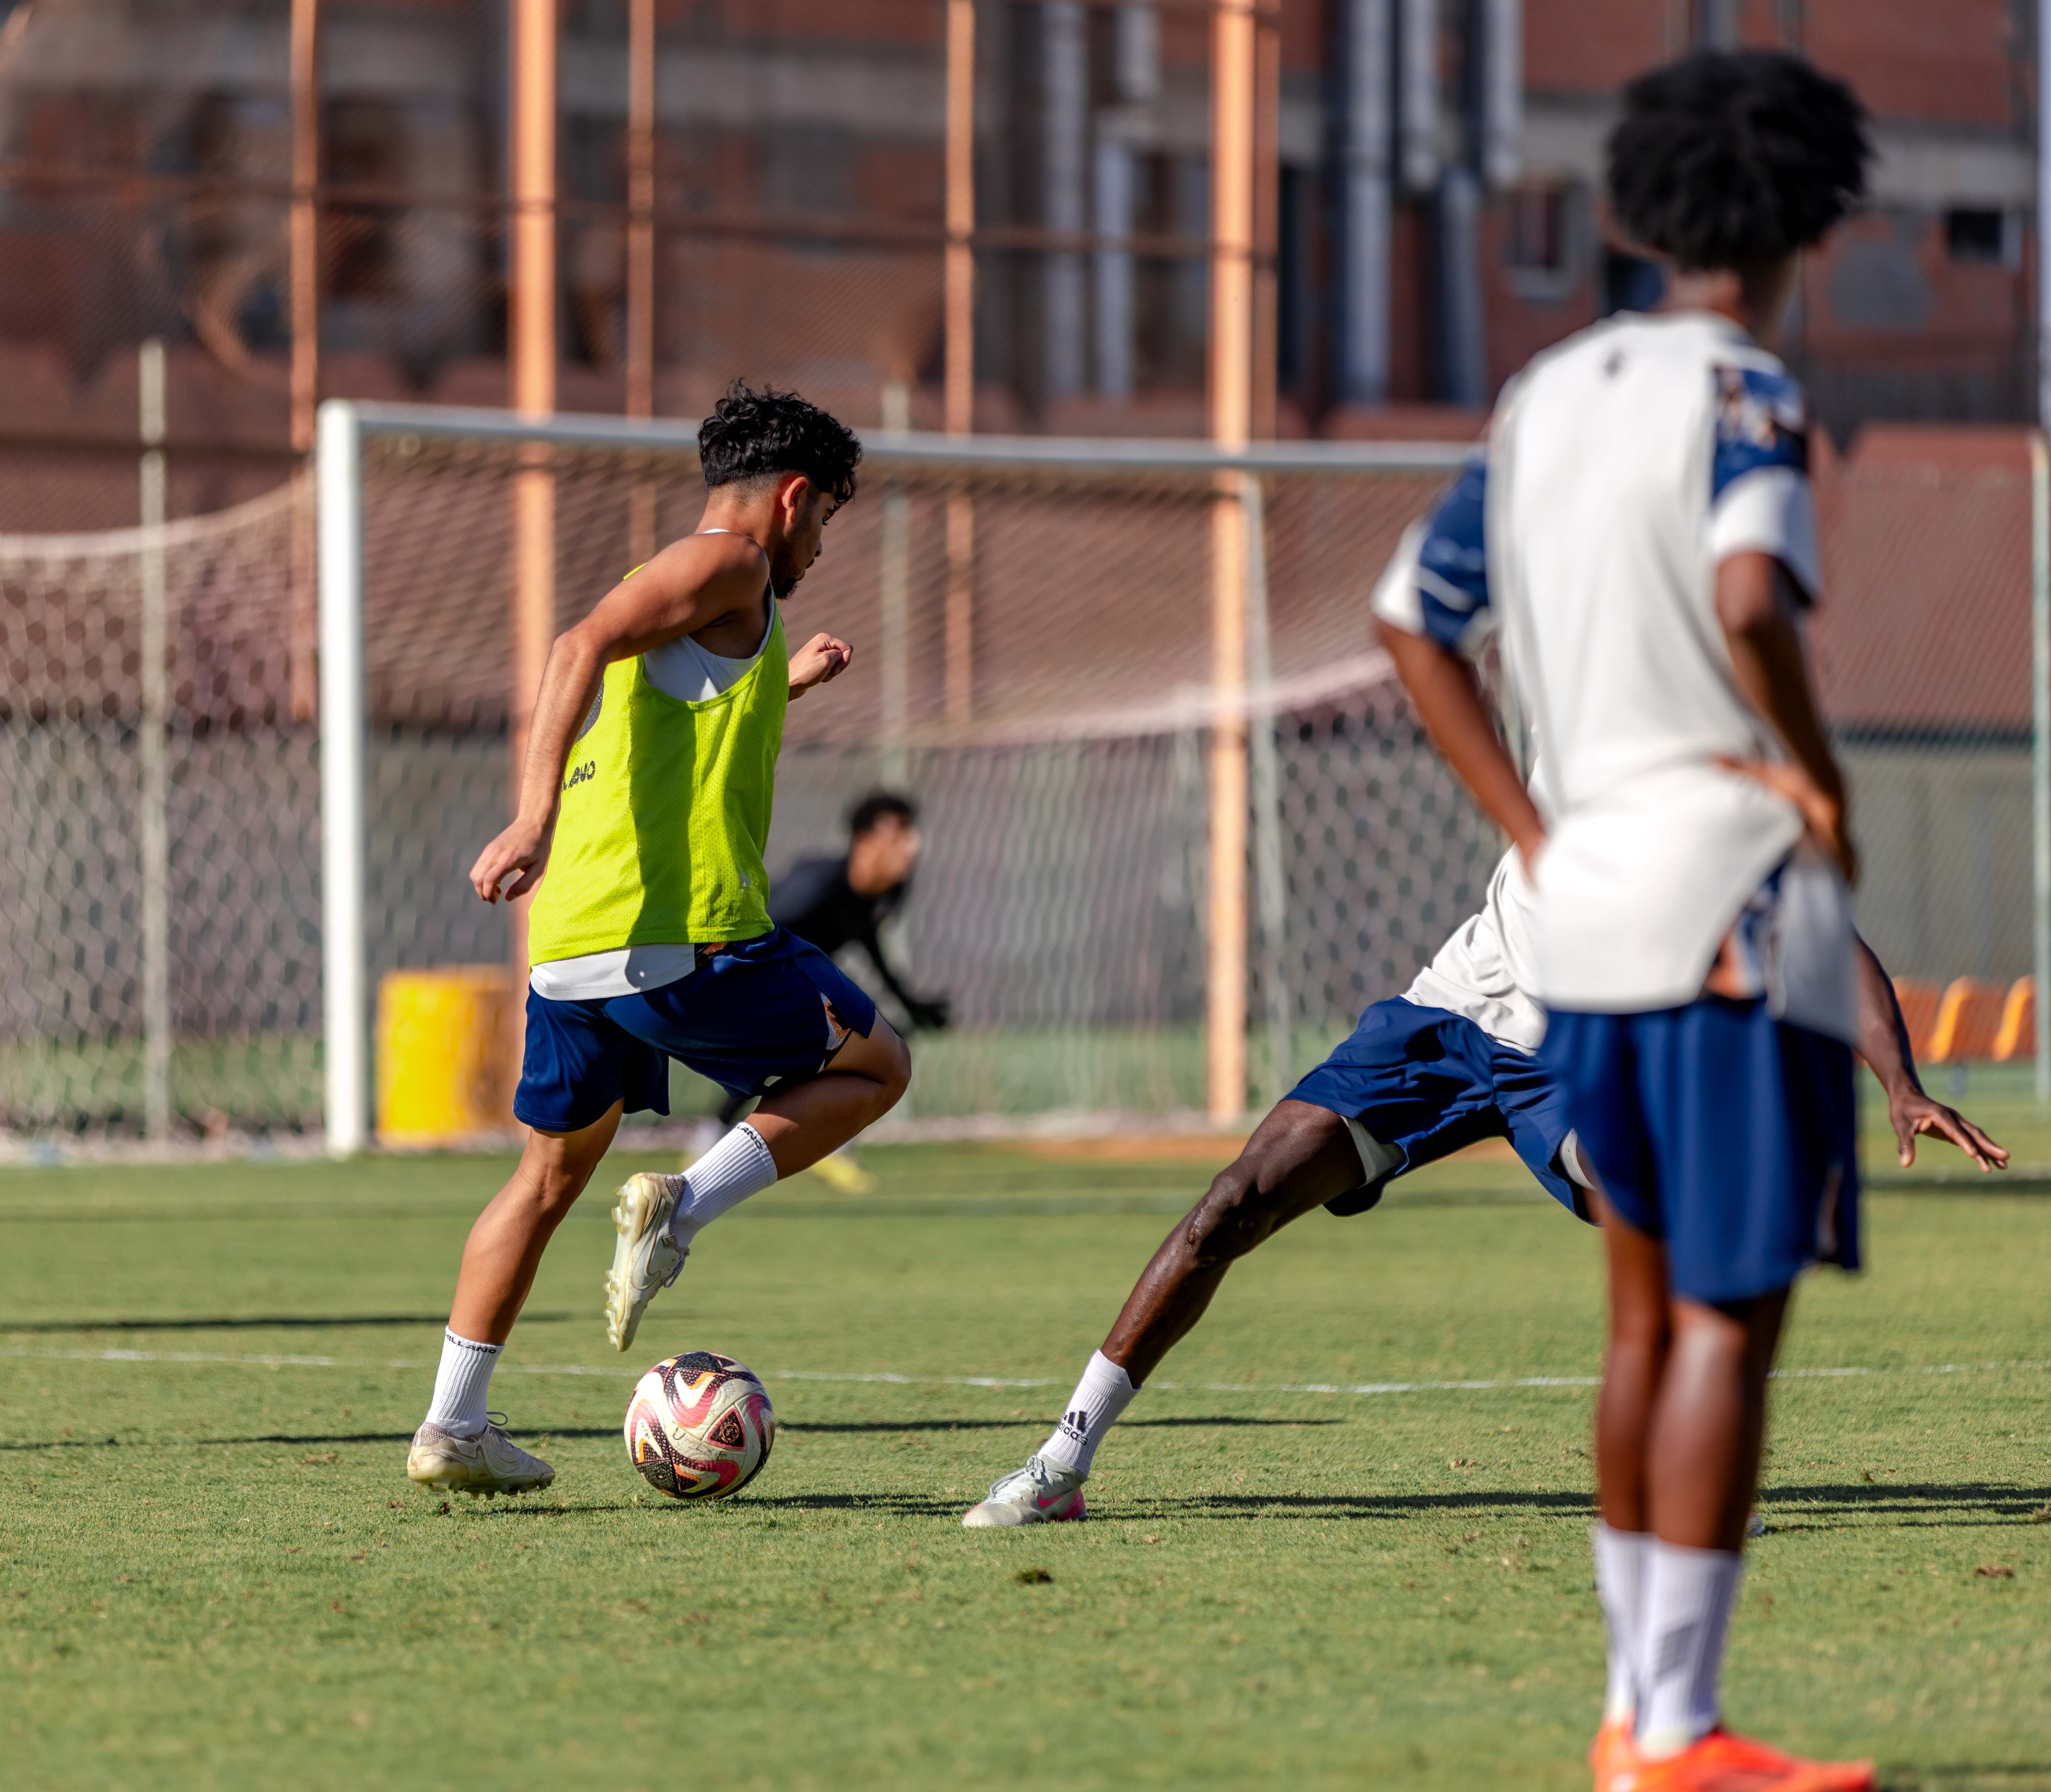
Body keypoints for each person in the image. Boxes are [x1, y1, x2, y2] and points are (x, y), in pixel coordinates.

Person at [1382, 49, 1899, 1792]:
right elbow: (1752, 593)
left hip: (1586, 910)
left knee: (1639, 1313)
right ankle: (1676, 1726)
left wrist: (1534, 827)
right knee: (1727, 1317)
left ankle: (1633, 1709)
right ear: (1811, 216)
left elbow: (1413, 620)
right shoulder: (1749, 387)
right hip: (1731, 904)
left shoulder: (1544, 392)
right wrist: (1816, 772)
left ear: (1647, 207)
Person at [959, 838, 2001, 1520]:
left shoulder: (1721, 781)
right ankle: (1062, 1459)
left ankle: (1695, 1475)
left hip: (1574, 1058)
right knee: (1233, 1202)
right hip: (1451, 1015)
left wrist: (1899, 1080)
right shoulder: (1568, 679)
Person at [405, 382, 911, 1499]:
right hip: (680, 935)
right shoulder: (731, 564)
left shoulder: (700, 598)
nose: (822, 545)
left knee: (546, 1177)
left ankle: (453, 1422)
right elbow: (573, 645)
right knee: (879, 1063)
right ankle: (686, 1202)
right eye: (827, 516)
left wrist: (782, 681)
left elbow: (676, 715)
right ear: (792, 497)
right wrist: (531, 817)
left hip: (573, 946)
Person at [695, 791, 950, 1182]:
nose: (912, 845)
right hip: (753, 978)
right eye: (898, 833)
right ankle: (717, 1142)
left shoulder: (883, 894)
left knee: (865, 1043)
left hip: (805, 985)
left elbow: (870, 945)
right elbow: (763, 928)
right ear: (865, 841)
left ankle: (807, 1140)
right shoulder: (818, 883)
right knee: (826, 1049)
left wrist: (913, 1005)